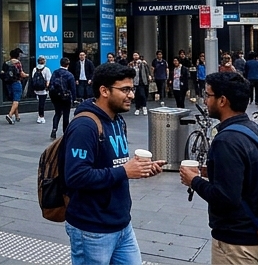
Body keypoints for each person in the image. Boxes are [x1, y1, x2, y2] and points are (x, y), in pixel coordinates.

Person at [63, 62, 163, 265]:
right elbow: (76, 176)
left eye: (132, 89)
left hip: (121, 223)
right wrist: (125, 171)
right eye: (125, 89)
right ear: (104, 91)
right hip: (92, 228)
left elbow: (115, 165)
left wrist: (140, 169)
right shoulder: (84, 126)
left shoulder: (117, 120)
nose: (131, 95)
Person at [180, 71, 258, 265]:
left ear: (222, 100)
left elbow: (226, 198)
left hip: (236, 241)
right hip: (254, 231)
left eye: (208, 95)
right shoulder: (254, 129)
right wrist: (212, 171)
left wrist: (194, 181)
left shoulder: (226, 140)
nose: (205, 101)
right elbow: (248, 173)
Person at [49, 58, 77, 139]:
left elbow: (51, 84)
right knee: (66, 114)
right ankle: (65, 132)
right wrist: (74, 98)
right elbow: (73, 88)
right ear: (68, 65)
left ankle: (54, 129)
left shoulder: (55, 72)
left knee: (57, 113)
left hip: (55, 96)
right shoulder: (69, 75)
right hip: (66, 97)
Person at [3, 48, 29, 124]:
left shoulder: (6, 63)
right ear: (17, 56)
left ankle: (17, 116)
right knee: (16, 100)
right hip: (16, 82)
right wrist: (28, 75)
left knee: (14, 100)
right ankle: (10, 115)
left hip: (8, 83)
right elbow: (22, 74)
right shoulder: (18, 63)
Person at [29, 56, 51, 124]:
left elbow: (33, 78)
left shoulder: (34, 69)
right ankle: (41, 116)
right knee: (42, 103)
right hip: (43, 90)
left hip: (36, 89)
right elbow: (48, 80)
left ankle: (40, 116)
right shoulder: (46, 69)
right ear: (44, 62)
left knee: (40, 103)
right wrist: (47, 88)